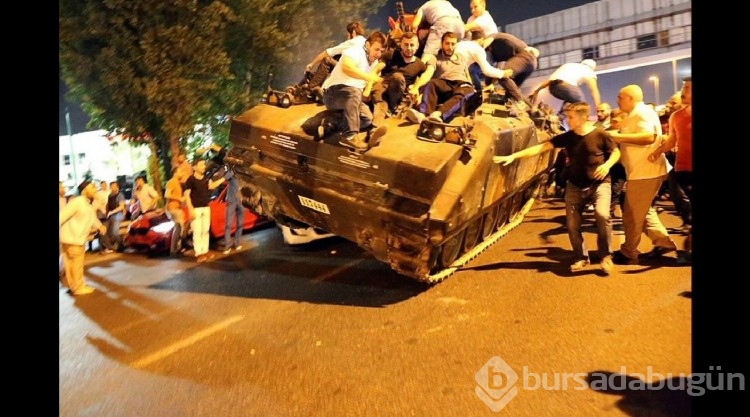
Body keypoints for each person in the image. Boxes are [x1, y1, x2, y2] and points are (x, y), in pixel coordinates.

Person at [493, 102, 620, 274]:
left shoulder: (600, 134)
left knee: (602, 214)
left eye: (571, 117)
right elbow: (541, 148)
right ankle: (581, 257)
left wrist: (607, 165)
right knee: (572, 225)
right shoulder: (568, 137)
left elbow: (615, 152)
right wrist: (514, 156)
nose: (568, 120)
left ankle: (605, 255)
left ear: (583, 117)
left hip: (599, 183)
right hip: (575, 185)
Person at [608, 84, 677, 265]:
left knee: (631, 215)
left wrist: (617, 136)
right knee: (643, 212)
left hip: (645, 172)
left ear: (631, 98)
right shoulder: (637, 113)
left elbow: (648, 136)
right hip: (644, 171)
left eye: (620, 97)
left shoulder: (641, 113)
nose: (617, 100)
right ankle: (663, 242)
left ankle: (628, 252)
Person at [406, 32, 510, 124]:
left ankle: (438, 114)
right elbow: (428, 73)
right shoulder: (435, 58)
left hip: (461, 85)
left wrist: (472, 87)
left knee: (467, 90)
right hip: (444, 83)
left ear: (456, 44)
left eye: (453, 44)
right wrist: (416, 87)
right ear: (442, 44)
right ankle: (422, 114)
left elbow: (466, 74)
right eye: (447, 43)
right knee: (432, 83)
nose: (450, 47)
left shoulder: (461, 58)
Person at [320, 31, 389, 152]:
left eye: (381, 51)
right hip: (332, 94)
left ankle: (332, 124)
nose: (378, 54)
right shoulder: (356, 51)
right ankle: (349, 136)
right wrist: (369, 77)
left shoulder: (374, 63)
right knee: (354, 92)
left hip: (349, 98)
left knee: (367, 118)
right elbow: (347, 67)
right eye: (376, 49)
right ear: (368, 45)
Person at [649, 76, 692, 263]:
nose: (684, 92)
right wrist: (657, 152)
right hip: (682, 169)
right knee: (680, 201)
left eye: (688, 88)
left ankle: (689, 249)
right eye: (684, 88)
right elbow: (672, 141)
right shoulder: (676, 116)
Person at [368, 31, 427, 127]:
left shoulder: (419, 65)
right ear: (401, 45)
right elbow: (377, 69)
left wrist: (418, 92)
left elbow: (424, 81)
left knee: (398, 77)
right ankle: (375, 129)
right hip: (382, 85)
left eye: (412, 45)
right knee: (381, 105)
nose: (409, 48)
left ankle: (392, 107)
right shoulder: (390, 55)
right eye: (406, 44)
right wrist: (369, 84)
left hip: (397, 92)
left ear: (417, 46)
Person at [59, 180, 107, 295]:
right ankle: (79, 287)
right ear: (85, 191)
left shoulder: (87, 204)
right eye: (92, 187)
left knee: (70, 265)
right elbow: (62, 216)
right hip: (73, 238)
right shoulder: (78, 202)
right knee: (77, 264)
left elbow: (92, 218)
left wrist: (100, 226)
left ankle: (74, 286)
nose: (95, 188)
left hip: (72, 238)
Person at [305, 21, 367, 101]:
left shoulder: (352, 42)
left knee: (327, 60)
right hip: (361, 75)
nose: (347, 36)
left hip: (350, 71)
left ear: (353, 32)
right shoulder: (365, 41)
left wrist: (312, 64)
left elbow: (326, 53)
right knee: (338, 57)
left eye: (348, 34)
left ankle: (310, 89)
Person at [482, 32, 539, 108]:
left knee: (504, 76)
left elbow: (485, 42)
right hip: (532, 63)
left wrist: (480, 49)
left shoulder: (491, 36)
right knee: (513, 86)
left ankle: (519, 101)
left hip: (526, 56)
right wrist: (489, 84)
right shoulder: (499, 54)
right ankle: (515, 103)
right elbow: (496, 69)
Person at [184, 159, 226, 263]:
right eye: (201, 165)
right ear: (195, 167)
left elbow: (211, 186)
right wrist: (190, 209)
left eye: (204, 164)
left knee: (205, 230)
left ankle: (205, 251)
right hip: (196, 209)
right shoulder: (190, 180)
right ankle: (199, 253)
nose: (204, 166)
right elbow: (187, 195)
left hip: (206, 207)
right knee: (197, 231)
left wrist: (224, 178)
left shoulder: (206, 178)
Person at [530, 59, 601, 113]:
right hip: (565, 86)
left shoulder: (568, 65)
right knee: (582, 105)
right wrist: (598, 106)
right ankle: (582, 125)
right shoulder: (588, 70)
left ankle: (560, 118)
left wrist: (536, 91)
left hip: (552, 88)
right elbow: (594, 90)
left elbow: (550, 80)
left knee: (571, 101)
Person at [164, 165, 190, 257]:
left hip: (177, 208)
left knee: (178, 228)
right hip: (173, 208)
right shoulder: (171, 182)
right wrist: (180, 198)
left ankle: (175, 249)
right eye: (180, 171)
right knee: (180, 227)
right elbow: (167, 195)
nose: (182, 173)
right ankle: (176, 249)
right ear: (175, 173)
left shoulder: (177, 182)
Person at [222, 169, 245, 255]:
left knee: (240, 224)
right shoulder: (231, 173)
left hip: (241, 201)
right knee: (228, 224)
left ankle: (237, 243)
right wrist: (232, 171)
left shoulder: (243, 175)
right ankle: (227, 246)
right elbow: (225, 177)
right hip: (231, 201)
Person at [100, 181, 126, 254]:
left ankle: (121, 245)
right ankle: (110, 246)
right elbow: (108, 205)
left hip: (119, 214)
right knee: (103, 228)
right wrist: (106, 212)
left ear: (117, 187)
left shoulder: (120, 195)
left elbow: (121, 207)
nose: (112, 187)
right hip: (111, 215)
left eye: (114, 186)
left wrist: (112, 212)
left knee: (115, 231)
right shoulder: (110, 195)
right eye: (111, 186)